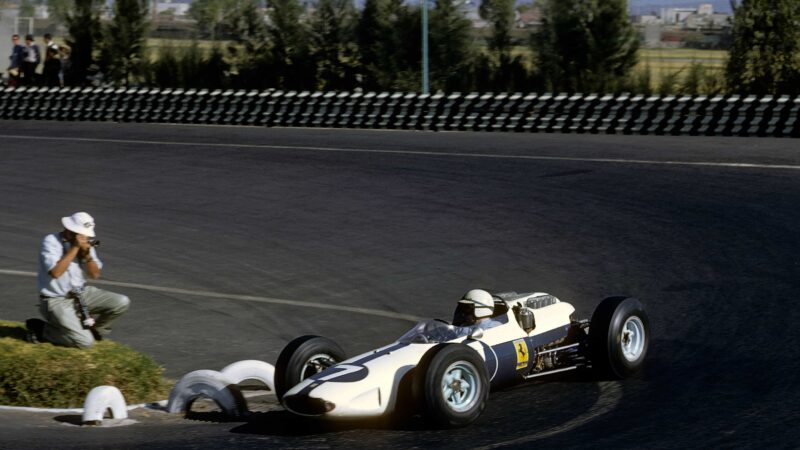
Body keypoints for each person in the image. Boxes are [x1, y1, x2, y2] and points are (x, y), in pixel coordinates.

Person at [26, 212, 130, 348]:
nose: (84, 237)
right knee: (85, 343)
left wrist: (87, 255)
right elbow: (56, 273)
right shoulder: (51, 241)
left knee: (121, 302)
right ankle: (42, 330)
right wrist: (74, 248)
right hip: (56, 300)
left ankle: (94, 331)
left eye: (85, 235)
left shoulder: (85, 243)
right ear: (70, 230)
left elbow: (95, 275)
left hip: (81, 294)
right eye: (80, 234)